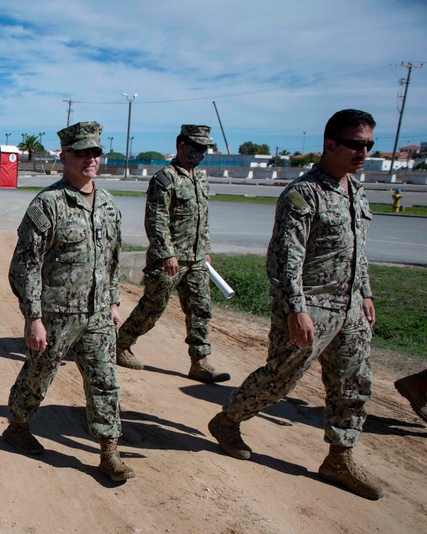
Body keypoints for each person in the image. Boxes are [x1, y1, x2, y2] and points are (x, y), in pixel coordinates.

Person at [208, 109, 383, 500]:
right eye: (357, 144)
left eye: (369, 144)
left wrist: (365, 293)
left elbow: (358, 252)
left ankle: (340, 456)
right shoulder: (304, 195)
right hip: (311, 307)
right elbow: (285, 260)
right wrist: (296, 309)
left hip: (350, 306)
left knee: (353, 383)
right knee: (278, 380)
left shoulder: (356, 191)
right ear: (330, 144)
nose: (364, 152)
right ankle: (227, 420)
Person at [4, 121, 134, 481]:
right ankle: (17, 425)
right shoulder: (48, 205)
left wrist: (113, 302)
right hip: (56, 314)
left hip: (97, 313)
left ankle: (109, 451)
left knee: (104, 380)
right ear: (64, 156)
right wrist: (33, 317)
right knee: (38, 375)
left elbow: (112, 259)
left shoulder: (108, 204)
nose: (90, 159)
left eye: (95, 152)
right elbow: (24, 267)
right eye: (82, 152)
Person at [116, 124, 230, 383]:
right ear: (181, 146)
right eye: (196, 147)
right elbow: (156, 220)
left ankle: (200, 362)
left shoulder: (200, 178)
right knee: (152, 309)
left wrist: (206, 250)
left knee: (201, 309)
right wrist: (167, 253)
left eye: (205, 149)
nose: (201, 153)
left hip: (196, 259)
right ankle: (120, 345)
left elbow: (203, 219)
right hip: (169, 261)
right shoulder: (165, 178)